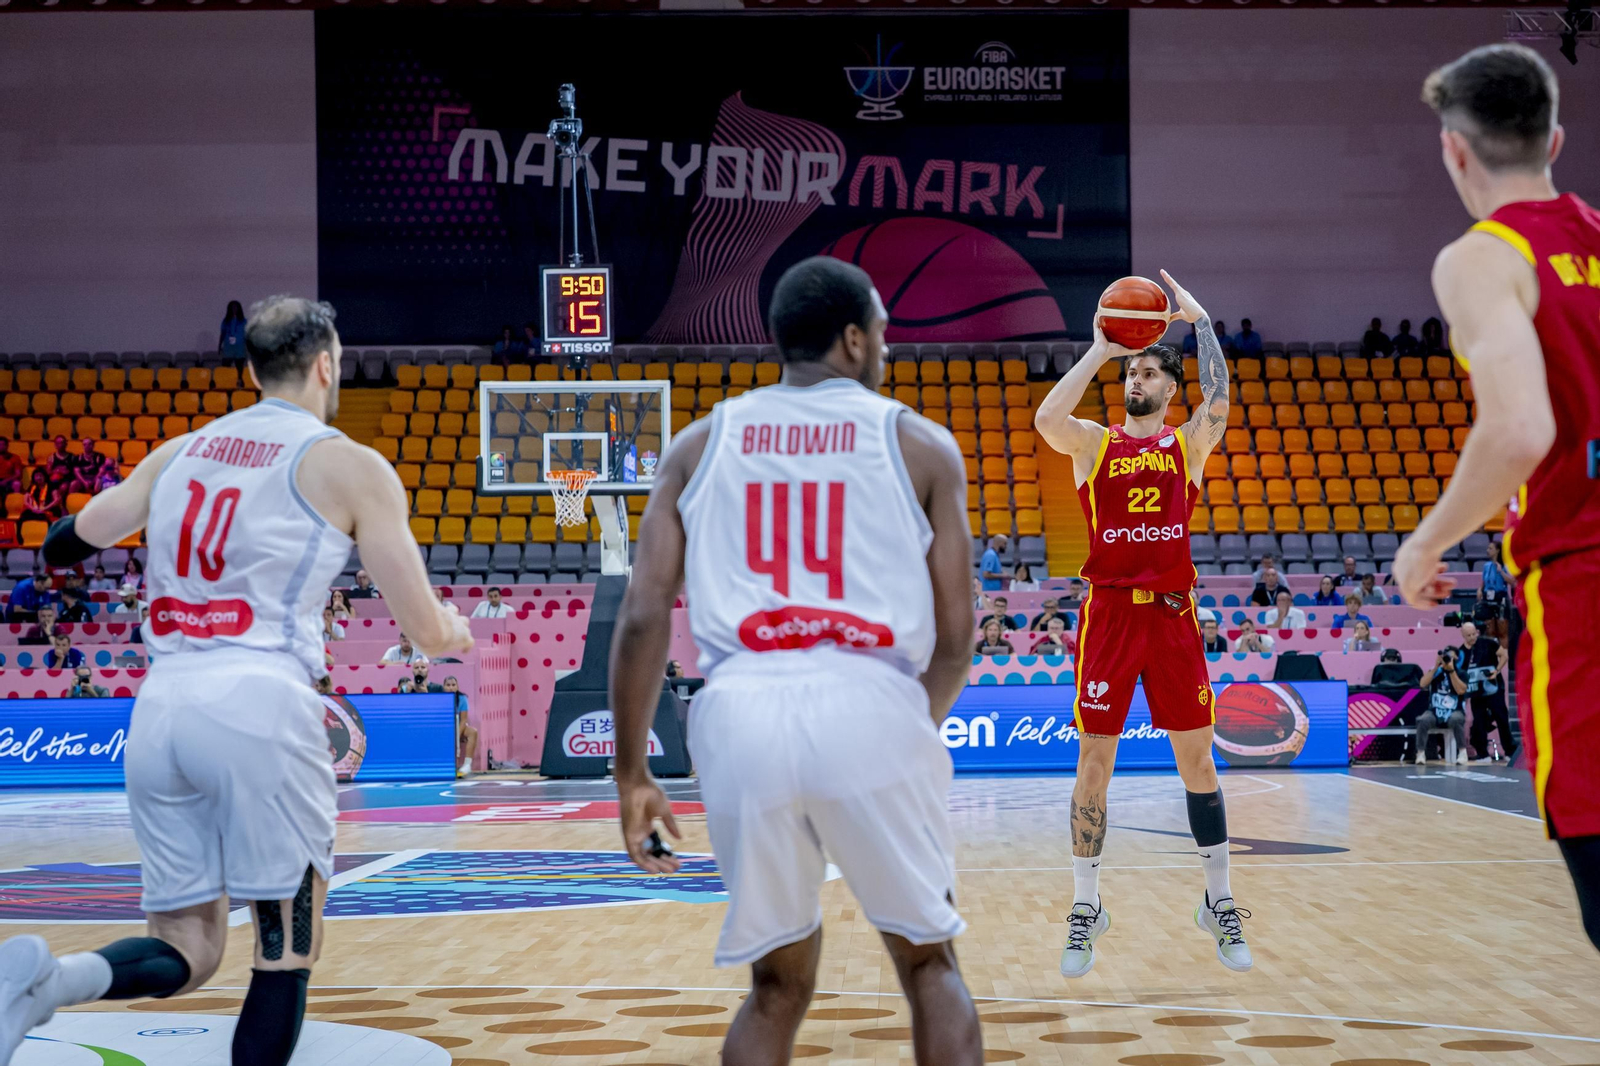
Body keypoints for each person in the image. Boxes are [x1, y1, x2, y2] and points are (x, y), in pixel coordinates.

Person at [0, 294, 474, 1066]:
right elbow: (422, 628)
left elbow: (64, 545)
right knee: (285, 950)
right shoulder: (350, 464)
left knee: (188, 946)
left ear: (250, 370)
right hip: (260, 701)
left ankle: (46, 984)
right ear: (327, 364)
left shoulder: (179, 452)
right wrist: (454, 631)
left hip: (160, 708)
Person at [607, 257, 983, 1066]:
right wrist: (911, 724)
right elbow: (956, 637)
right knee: (928, 963)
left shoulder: (697, 444)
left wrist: (632, 776)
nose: (885, 343)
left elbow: (642, 618)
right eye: (881, 329)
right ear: (853, 340)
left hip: (740, 704)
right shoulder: (920, 444)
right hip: (868, 692)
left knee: (775, 987)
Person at [1393, 44, 1600, 951]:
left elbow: (1520, 430)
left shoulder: (1484, 257)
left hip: (1583, 578)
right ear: (1554, 138)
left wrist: (1426, 543)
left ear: (1454, 151)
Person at [1035, 269, 1252, 977]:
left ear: (1169, 386)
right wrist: (1099, 350)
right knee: (1093, 766)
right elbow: (1045, 422)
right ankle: (1085, 906)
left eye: (1150, 370)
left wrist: (1203, 322)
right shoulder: (1095, 444)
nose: (1138, 377)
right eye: (1132, 369)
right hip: (1109, 619)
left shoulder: (1185, 446)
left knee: (1197, 761)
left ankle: (1217, 901)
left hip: (1172, 619)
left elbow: (1220, 398)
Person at [1458, 621, 1516, 762]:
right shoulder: (1461, 652)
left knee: (1501, 717)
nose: (1472, 637)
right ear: (1463, 636)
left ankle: (1509, 750)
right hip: (1476, 691)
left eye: (1473, 634)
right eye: (1468, 635)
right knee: (1479, 720)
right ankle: (1482, 753)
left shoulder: (1488, 643)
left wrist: (1496, 671)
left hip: (1493, 687)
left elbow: (1504, 655)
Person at [1416, 648, 1469, 765]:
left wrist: (1451, 672)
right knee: (1422, 720)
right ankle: (1420, 753)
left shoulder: (1462, 673)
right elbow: (1422, 684)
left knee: (1456, 719)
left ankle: (1462, 752)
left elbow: (1460, 690)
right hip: (1435, 711)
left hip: (1455, 709)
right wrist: (1436, 667)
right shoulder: (1437, 672)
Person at [444, 676, 477, 777]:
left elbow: (463, 720)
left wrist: (456, 736)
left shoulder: (462, 699)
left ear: (457, 686)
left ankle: (467, 765)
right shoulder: (440, 698)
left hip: (458, 727)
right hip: (445, 729)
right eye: (448, 685)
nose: (451, 687)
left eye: (453, 685)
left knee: (473, 732)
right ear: (444, 687)